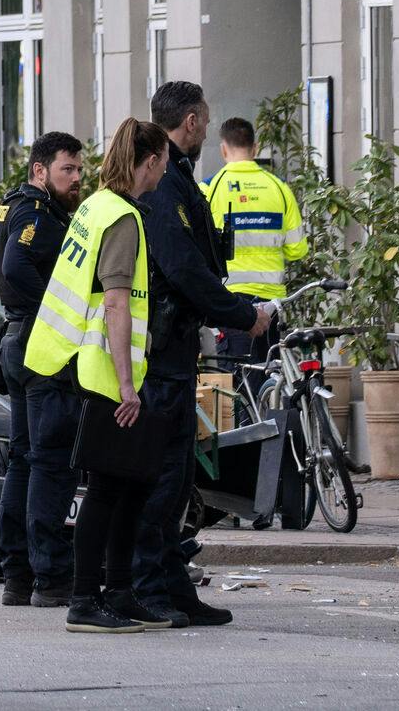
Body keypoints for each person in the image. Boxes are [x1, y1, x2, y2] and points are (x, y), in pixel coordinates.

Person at [22, 118, 171, 634]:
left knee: (129, 486)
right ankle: (86, 600)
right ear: (150, 162)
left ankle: (119, 594)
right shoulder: (124, 217)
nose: (166, 167)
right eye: (164, 159)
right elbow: (114, 303)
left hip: (83, 363)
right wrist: (129, 386)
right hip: (106, 372)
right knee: (111, 489)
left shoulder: (93, 206)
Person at [133, 82, 273, 628]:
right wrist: (241, 313)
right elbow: (184, 269)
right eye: (204, 121)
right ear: (191, 122)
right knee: (164, 478)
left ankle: (171, 586)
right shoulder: (165, 183)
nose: (207, 129)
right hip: (162, 352)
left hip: (174, 349)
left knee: (177, 477)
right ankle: (152, 589)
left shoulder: (177, 178)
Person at [0, 131, 84, 609]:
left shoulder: (11, 208)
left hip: (16, 338)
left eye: (80, 170)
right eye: (68, 170)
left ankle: (17, 576)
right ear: (41, 171)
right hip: (37, 344)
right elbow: (15, 265)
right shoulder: (36, 213)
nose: (77, 179)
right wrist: (59, 311)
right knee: (49, 460)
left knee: (24, 459)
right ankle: (50, 576)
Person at [205, 116, 307, 363]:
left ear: (223, 149)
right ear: (255, 147)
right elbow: (297, 250)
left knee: (237, 389)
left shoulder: (210, 188)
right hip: (273, 305)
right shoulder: (280, 188)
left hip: (231, 303)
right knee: (271, 378)